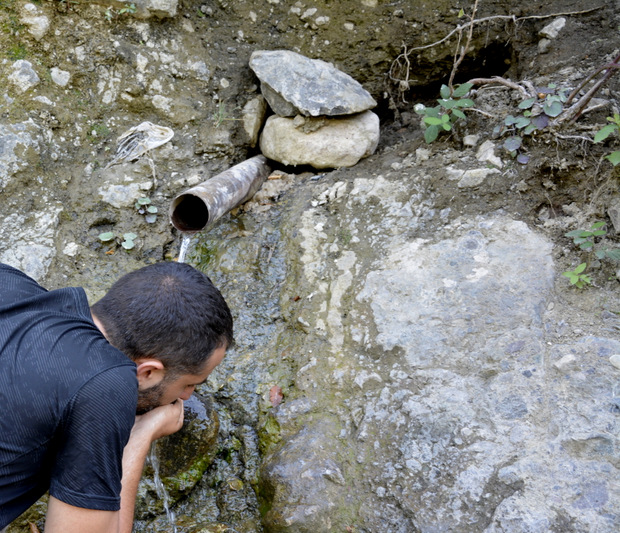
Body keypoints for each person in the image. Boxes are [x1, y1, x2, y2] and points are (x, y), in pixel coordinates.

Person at [0, 261, 233, 532]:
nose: (187, 395)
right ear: (147, 372)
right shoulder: (104, 386)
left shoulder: (10, 282)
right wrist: (139, 437)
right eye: (190, 383)